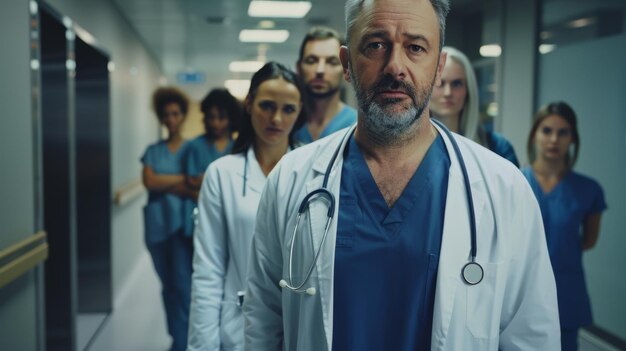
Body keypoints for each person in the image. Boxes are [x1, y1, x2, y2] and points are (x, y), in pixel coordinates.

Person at [244, 0, 560, 350]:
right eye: (376, 45)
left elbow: (530, 336)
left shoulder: (505, 188)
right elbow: (263, 320)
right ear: (347, 64)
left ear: (438, 67)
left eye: (415, 47)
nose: (395, 66)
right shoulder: (291, 179)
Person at [187, 62, 306, 350]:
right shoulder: (221, 173)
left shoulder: (314, 172)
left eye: (288, 109)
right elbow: (209, 269)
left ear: (300, 111)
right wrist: (202, 345)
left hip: (302, 325)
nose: (276, 118)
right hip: (238, 326)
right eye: (266, 105)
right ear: (249, 104)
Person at [522, 101, 606, 351]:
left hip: (567, 294)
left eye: (563, 132)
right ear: (535, 134)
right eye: (546, 130)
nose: (553, 139)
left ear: (573, 139)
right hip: (522, 291)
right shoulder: (515, 181)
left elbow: (588, 241)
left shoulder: (588, 190)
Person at [141, 86, 195, 351]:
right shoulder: (153, 150)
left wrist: (165, 183)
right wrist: (181, 181)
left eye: (176, 114)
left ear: (183, 116)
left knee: (184, 288)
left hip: (181, 229)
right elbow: (149, 181)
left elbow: (195, 185)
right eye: (166, 115)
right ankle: (176, 337)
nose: (171, 119)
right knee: (168, 287)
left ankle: (183, 343)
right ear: (161, 118)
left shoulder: (191, 149)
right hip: (156, 229)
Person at [430, 46, 519, 166]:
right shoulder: (408, 148)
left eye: (457, 84)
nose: (448, 93)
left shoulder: (498, 148)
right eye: (440, 83)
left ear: (468, 90)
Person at [182, 88, 241, 237]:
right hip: (199, 213)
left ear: (231, 119)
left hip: (230, 215)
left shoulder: (238, 147)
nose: (216, 123)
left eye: (221, 118)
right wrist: (226, 179)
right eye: (211, 117)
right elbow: (192, 180)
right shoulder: (196, 145)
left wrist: (206, 178)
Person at [293, 26, 357, 144]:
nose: (320, 70)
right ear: (298, 69)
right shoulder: (287, 123)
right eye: (311, 61)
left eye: (331, 62)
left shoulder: (356, 126)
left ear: (346, 69)